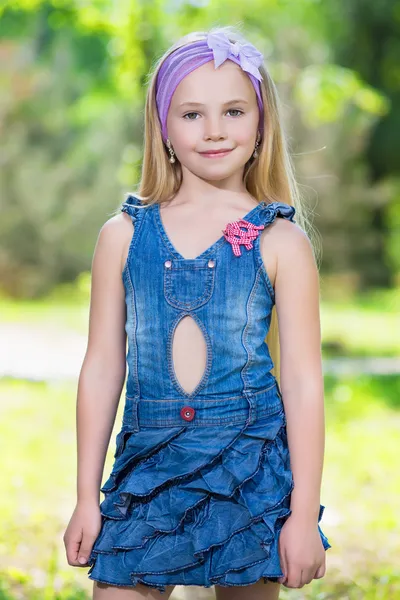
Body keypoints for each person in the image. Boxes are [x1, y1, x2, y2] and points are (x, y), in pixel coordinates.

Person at [63, 24, 331, 600]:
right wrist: (87, 496)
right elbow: (103, 367)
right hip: (146, 469)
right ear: (162, 126)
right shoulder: (123, 236)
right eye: (191, 114)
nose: (214, 131)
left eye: (233, 111)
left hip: (249, 470)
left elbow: (304, 382)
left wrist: (303, 513)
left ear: (261, 124)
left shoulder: (281, 240)